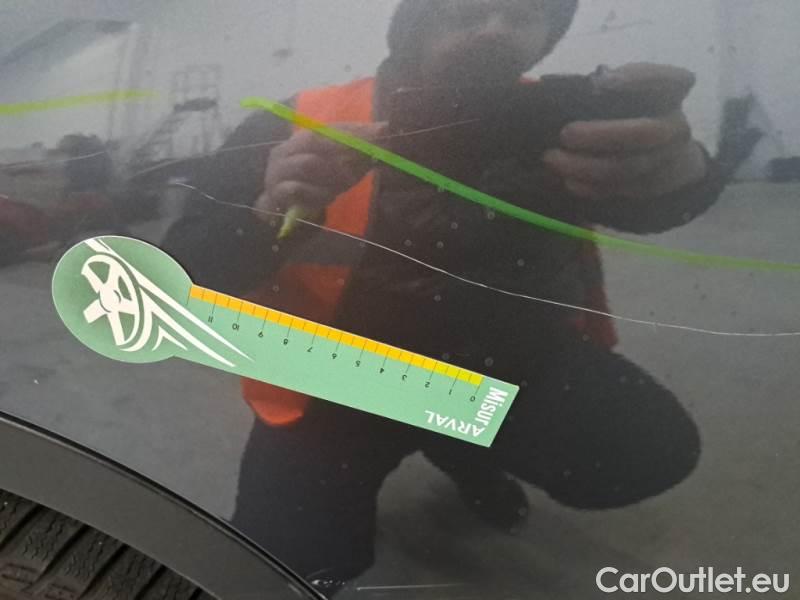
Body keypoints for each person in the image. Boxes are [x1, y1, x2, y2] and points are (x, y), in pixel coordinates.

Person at [163, 0, 725, 595]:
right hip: (339, 381)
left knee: (647, 450)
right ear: (416, 23)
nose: (495, 28)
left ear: (549, 34)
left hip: (507, 364)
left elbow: (649, 206)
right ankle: (458, 442)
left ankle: (454, 439)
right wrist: (265, 214)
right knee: (282, 567)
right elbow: (184, 271)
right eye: (465, 12)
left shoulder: (557, 118)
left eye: (523, 16)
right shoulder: (296, 120)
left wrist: (683, 173)